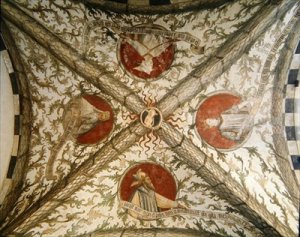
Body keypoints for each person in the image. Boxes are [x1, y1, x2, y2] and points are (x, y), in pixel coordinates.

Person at [46, 96, 111, 180]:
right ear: (102, 113)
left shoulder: (94, 120)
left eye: (104, 118)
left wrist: (79, 124)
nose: (102, 116)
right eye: (103, 115)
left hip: (76, 123)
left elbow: (85, 126)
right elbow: (90, 109)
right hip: (76, 118)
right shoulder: (93, 111)